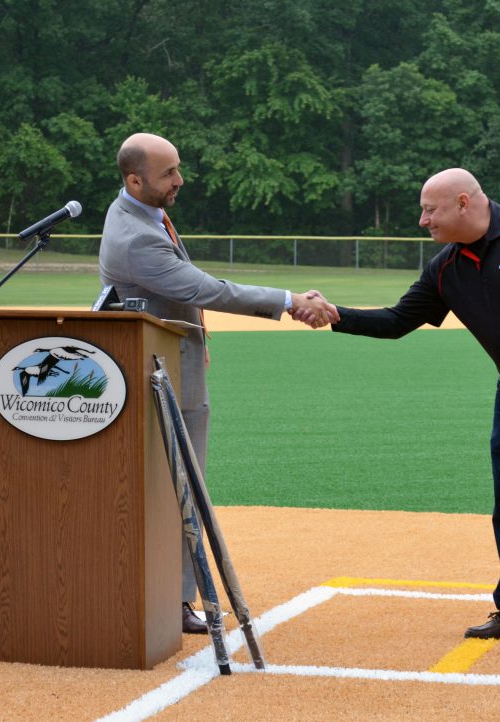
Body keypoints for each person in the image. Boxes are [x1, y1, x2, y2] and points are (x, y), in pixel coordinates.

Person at [306, 168, 500, 652]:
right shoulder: (446, 267)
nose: (423, 220)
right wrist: (336, 315)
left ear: (464, 203)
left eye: (430, 210)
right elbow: (398, 320)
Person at [99, 132, 338, 634]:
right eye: (168, 173)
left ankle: (172, 598)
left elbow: (181, 291)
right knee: (180, 488)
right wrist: (291, 300)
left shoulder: (139, 213)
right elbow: (203, 288)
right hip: (160, 379)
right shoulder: (135, 234)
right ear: (135, 180)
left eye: (177, 168)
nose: (180, 180)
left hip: (172, 365)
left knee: (179, 487)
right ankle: (172, 601)